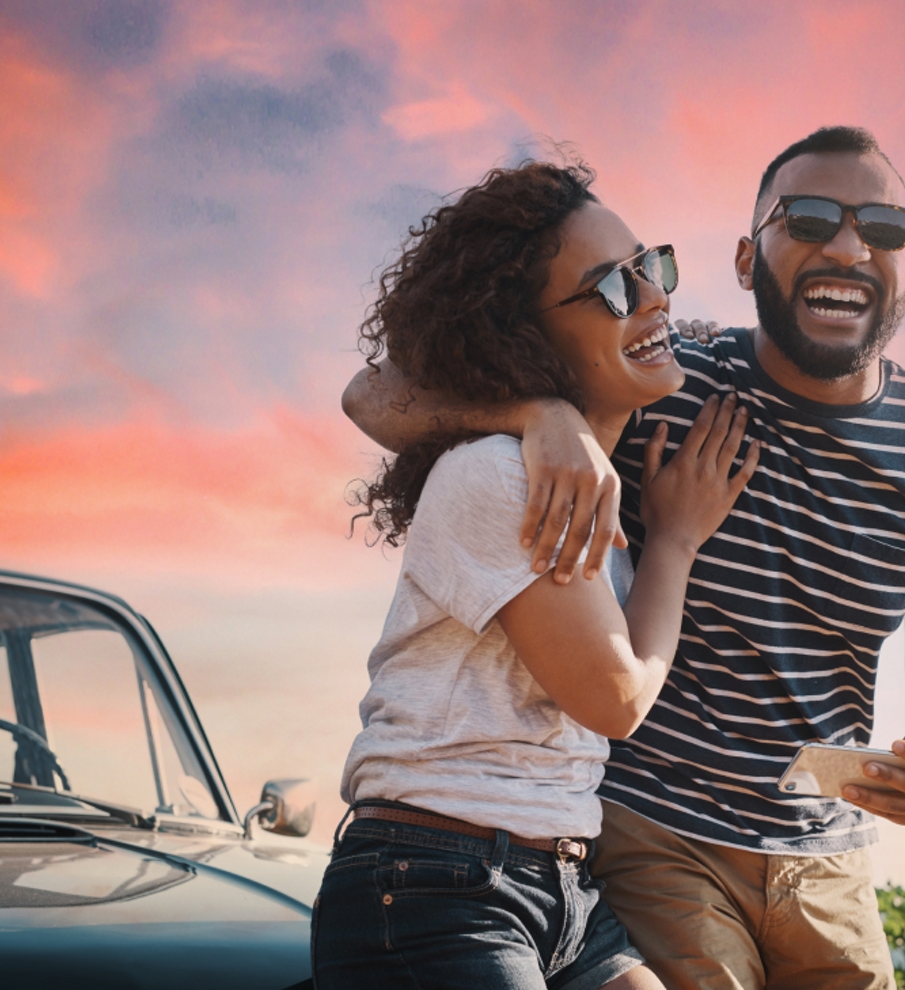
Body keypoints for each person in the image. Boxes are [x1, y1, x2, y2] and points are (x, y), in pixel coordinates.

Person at [342, 126, 905, 990]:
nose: (848, 246)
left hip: (827, 856)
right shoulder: (660, 377)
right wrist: (541, 412)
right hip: (649, 831)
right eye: (807, 219)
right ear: (747, 259)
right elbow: (377, 395)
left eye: (884, 228)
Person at [317, 158, 760, 990]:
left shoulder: (585, 471)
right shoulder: (499, 476)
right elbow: (615, 699)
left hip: (555, 887)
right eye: (615, 288)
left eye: (651, 267)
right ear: (524, 334)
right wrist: (674, 542)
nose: (655, 296)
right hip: (433, 884)